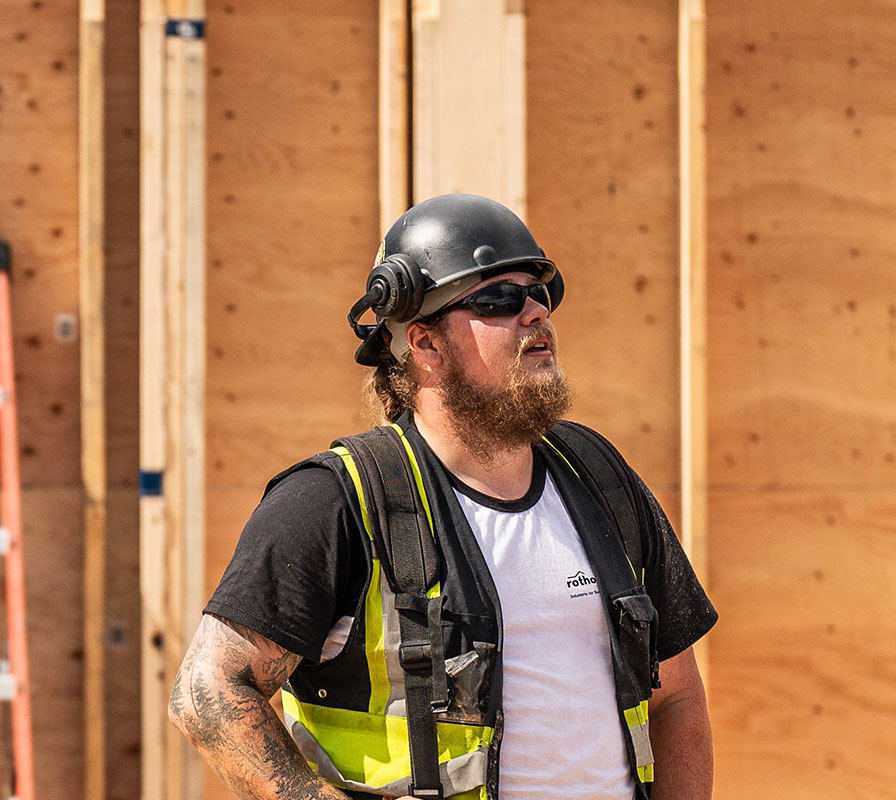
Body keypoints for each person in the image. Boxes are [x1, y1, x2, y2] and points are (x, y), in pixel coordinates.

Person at [169, 193, 717, 800]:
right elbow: (207, 693)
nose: (535, 312)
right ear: (425, 344)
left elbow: (678, 699)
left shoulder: (599, 479)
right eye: (498, 299)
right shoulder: (335, 501)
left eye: (540, 292)